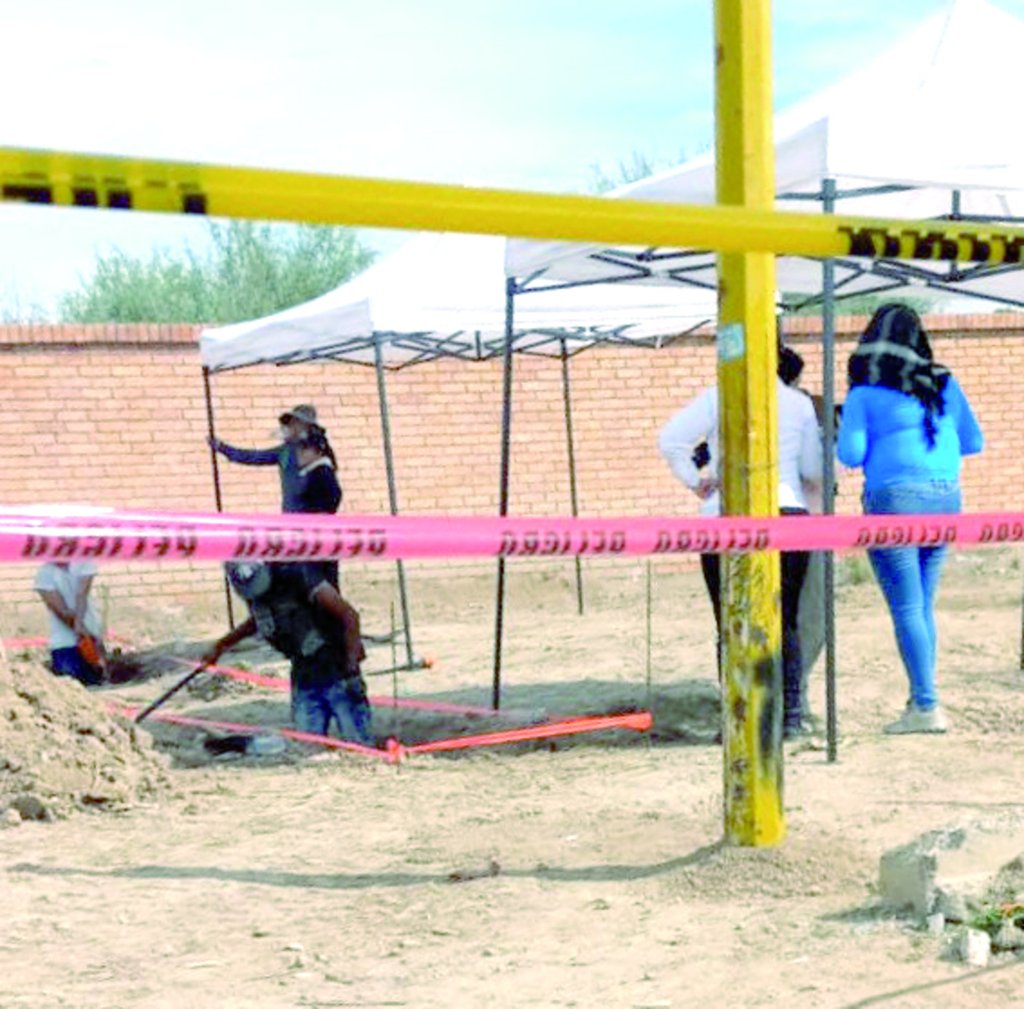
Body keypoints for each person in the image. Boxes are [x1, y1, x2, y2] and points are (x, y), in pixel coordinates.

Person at [658, 345, 824, 738]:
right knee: (786, 618)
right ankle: (791, 715)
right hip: (787, 515)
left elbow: (670, 439)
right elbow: (812, 468)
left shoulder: (719, 395)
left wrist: (696, 481)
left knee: (730, 620)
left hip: (725, 516)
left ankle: (739, 715)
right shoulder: (798, 403)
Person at [837, 303, 983, 735]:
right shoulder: (944, 381)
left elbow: (849, 456)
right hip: (946, 499)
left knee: (907, 606)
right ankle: (921, 697)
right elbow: (973, 442)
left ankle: (926, 705)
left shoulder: (865, 391)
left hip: (894, 500)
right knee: (921, 605)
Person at [202, 561, 373, 745]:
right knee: (308, 745)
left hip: (338, 671)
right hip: (303, 673)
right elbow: (260, 620)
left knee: (359, 745)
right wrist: (221, 646)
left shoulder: (299, 574)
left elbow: (349, 615)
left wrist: (351, 664)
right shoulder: (252, 590)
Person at [209, 404, 340, 514]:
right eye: (291, 423)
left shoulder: (318, 450)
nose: (292, 427)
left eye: (297, 423)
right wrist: (224, 449)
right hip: (291, 514)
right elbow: (255, 457)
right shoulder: (285, 451)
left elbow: (331, 492)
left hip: (312, 519)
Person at [34, 561, 106, 686]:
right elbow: (60, 610)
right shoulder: (44, 574)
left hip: (90, 632)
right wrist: (80, 628)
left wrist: (82, 627)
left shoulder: (84, 563)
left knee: (98, 676)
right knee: (71, 682)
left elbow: (82, 594)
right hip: (64, 644)